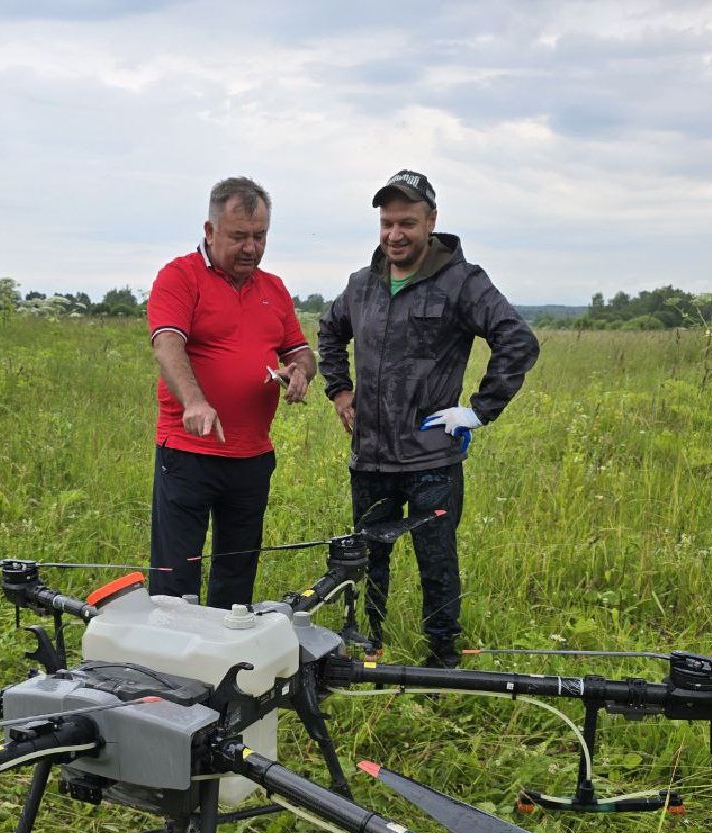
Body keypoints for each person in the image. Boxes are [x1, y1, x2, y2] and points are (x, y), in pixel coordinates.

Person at [318, 169, 539, 666]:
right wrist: (339, 389)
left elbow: (518, 340)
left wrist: (479, 411)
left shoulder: (463, 282)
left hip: (430, 457)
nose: (395, 235)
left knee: (436, 559)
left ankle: (443, 655)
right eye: (387, 223)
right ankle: (368, 642)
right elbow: (330, 332)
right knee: (368, 555)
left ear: (431, 221)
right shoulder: (361, 285)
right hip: (370, 455)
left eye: (407, 223)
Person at [147, 177, 316, 609]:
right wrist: (195, 401)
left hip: (252, 457)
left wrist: (300, 371)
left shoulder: (273, 288)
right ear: (209, 231)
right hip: (189, 453)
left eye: (259, 236)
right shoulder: (179, 276)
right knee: (175, 576)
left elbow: (299, 349)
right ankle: (170, 665)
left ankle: (224, 665)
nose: (251, 247)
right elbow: (167, 342)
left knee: (237, 574)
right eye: (238, 236)